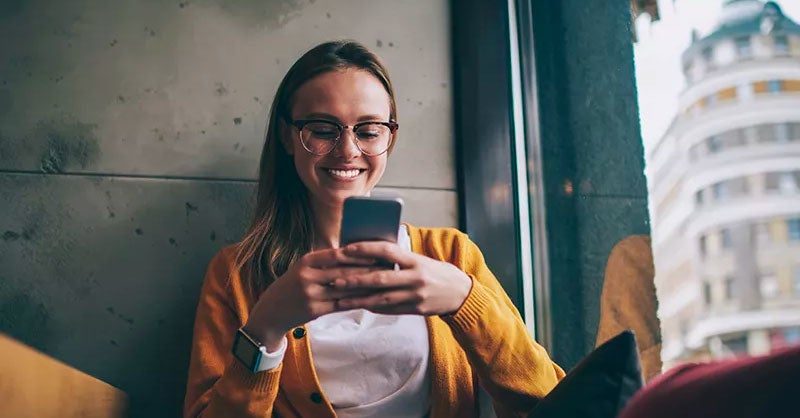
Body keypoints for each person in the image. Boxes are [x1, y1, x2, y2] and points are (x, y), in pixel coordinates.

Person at [183, 40, 564, 418]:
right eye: (322, 129)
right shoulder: (236, 273)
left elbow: (548, 399)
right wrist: (266, 328)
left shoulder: (451, 255)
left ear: (390, 138)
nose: (347, 150)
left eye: (368, 131)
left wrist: (465, 301)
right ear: (287, 136)